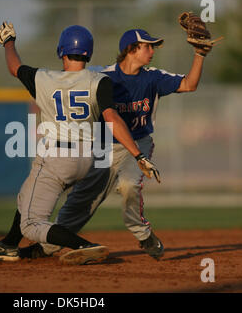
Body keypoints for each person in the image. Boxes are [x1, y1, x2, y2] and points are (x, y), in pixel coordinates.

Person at [0, 23, 160, 265]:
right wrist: (138, 155)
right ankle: (8, 243)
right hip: (87, 158)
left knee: (31, 223)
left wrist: (8, 41)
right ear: (89, 53)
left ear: (61, 51)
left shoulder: (44, 78)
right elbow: (112, 119)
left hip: (56, 157)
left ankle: (83, 245)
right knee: (28, 195)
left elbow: (14, 67)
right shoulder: (100, 81)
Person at [23, 28, 211, 261]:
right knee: (81, 201)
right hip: (104, 147)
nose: (152, 51)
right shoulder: (103, 76)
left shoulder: (152, 77)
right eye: (147, 46)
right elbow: (69, 79)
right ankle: (45, 248)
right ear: (131, 49)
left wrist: (200, 55)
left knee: (130, 185)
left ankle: (143, 235)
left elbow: (189, 84)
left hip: (138, 144)